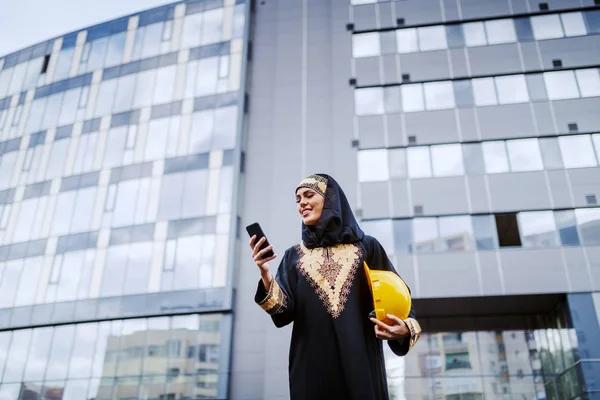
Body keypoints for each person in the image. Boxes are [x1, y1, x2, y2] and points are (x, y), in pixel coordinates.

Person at [250, 174, 421, 400]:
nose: (302, 203)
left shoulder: (366, 247)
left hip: (361, 363)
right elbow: (282, 312)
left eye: (309, 195)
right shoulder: (294, 256)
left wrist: (406, 328)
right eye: (298, 199)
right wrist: (265, 273)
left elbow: (400, 296)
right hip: (310, 370)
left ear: (331, 199)